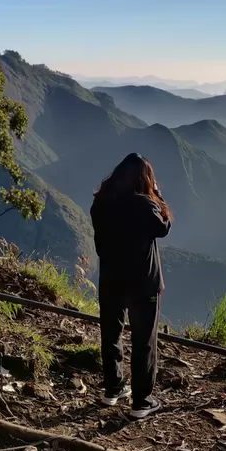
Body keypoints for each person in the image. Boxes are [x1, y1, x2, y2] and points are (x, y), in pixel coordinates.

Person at [90, 153, 172, 419]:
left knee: (111, 333)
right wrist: (157, 195)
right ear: (145, 178)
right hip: (142, 283)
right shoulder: (145, 205)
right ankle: (142, 401)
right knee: (143, 340)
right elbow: (164, 227)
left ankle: (113, 388)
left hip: (111, 279)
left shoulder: (101, 202)